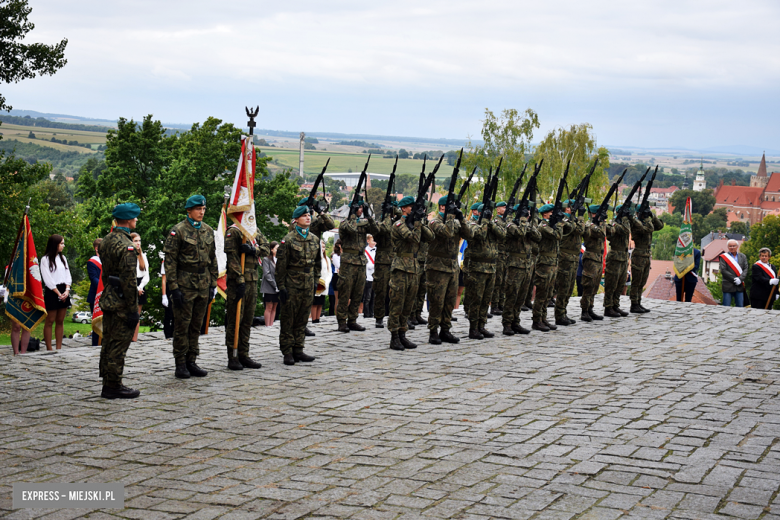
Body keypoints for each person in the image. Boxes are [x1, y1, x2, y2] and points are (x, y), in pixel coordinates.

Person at [163, 195, 218, 379]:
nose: (201, 212)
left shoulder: (208, 230)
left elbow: (213, 259)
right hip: (185, 284)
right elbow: (169, 261)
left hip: (203, 283)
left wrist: (213, 284)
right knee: (182, 325)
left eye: (203, 209)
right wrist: (174, 288)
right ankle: (180, 362)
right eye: (198, 209)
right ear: (189, 210)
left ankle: (191, 360)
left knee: (197, 325)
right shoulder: (178, 231)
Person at [97, 203, 142, 399]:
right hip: (121, 302)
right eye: (135, 217)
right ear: (129, 219)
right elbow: (129, 281)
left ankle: (108, 381)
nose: (137, 220)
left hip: (108, 297)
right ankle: (113, 385)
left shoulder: (107, 239)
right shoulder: (128, 246)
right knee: (118, 345)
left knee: (108, 342)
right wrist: (133, 310)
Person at [276, 204, 321, 365]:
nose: (308, 217)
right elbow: (281, 266)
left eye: (309, 215)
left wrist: (316, 281)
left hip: (308, 284)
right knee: (289, 318)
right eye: (304, 216)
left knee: (303, 317)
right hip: (292, 283)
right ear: (296, 220)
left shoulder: (314, 239)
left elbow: (317, 264)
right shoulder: (288, 240)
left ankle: (298, 349)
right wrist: (281, 286)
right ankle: (287, 350)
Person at [388, 196, 434, 350]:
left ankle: (403, 334)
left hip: (414, 268)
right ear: (404, 209)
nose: (414, 209)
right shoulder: (398, 224)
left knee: (408, 304)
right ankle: (394, 336)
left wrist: (421, 220)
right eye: (411, 207)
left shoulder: (415, 223)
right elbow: (412, 238)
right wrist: (416, 223)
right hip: (401, 268)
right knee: (397, 304)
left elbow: (431, 237)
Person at [425, 195, 472, 344]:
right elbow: (447, 232)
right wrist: (451, 218)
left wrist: (461, 218)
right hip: (437, 267)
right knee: (437, 300)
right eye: (449, 206)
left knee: (449, 301)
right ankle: (433, 331)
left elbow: (469, 234)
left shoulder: (455, 221)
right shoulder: (434, 222)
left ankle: (445, 330)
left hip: (452, 266)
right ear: (442, 207)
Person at [224, 219, 269, 371]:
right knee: (235, 319)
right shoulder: (234, 231)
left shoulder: (253, 231)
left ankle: (244, 353)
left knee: (247, 320)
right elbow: (232, 259)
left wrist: (252, 250)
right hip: (238, 281)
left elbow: (266, 248)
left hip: (253, 280)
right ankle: (233, 355)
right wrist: (240, 279)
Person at [336, 198, 378, 332]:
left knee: (358, 293)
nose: (360, 209)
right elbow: (352, 229)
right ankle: (342, 321)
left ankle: (352, 320)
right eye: (358, 207)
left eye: (361, 207)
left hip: (360, 261)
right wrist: (353, 214)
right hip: (348, 261)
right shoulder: (345, 223)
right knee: (345, 293)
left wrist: (368, 215)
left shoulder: (363, 223)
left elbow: (375, 230)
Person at [465, 203, 505, 339]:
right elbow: (479, 235)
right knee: (476, 299)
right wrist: (484, 223)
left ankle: (482, 325)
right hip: (477, 268)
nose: (491, 216)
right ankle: (473, 328)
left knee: (486, 299)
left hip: (491, 267)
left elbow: (502, 234)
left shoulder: (492, 225)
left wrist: (490, 223)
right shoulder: (472, 224)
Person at [503, 204, 541, 335]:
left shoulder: (527, 226)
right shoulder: (510, 225)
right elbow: (520, 233)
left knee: (522, 296)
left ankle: (516, 321)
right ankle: (507, 323)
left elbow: (538, 237)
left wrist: (528, 224)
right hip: (515, 265)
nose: (528, 215)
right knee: (512, 295)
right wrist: (523, 220)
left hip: (527, 265)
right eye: (526, 213)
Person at [531, 204, 564, 332]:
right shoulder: (543, 226)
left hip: (552, 263)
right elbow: (558, 235)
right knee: (541, 293)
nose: (553, 215)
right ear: (545, 214)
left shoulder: (550, 226)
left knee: (548, 293)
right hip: (544, 263)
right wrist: (560, 223)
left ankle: (543, 318)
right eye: (551, 213)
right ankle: (536, 320)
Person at [554, 201, 585, 326]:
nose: (572, 210)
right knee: (563, 287)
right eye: (570, 208)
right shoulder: (563, 221)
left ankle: (563, 313)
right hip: (565, 258)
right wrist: (580, 217)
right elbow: (579, 230)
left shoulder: (572, 220)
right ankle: (559, 315)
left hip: (573, 257)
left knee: (569, 287)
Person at [40, 234, 71, 350]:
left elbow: (68, 275)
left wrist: (67, 290)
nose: (63, 245)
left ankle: (59, 347)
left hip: (64, 289)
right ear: (55, 244)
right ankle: (49, 347)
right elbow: (47, 278)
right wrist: (58, 293)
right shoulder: (45, 259)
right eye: (61, 243)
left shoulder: (63, 259)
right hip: (52, 290)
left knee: (60, 320)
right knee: (50, 320)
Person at [630, 210, 664, 313]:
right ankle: (634, 304)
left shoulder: (646, 223)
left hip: (646, 254)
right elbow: (649, 228)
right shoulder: (636, 224)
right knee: (636, 281)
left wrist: (652, 215)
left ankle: (638, 302)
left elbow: (660, 226)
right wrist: (647, 219)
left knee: (642, 281)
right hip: (639, 254)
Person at [580, 205, 607, 322]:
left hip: (598, 258)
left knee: (595, 286)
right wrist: (603, 223)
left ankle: (590, 308)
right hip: (591, 258)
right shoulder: (590, 225)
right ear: (594, 214)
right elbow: (602, 234)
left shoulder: (596, 225)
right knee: (589, 285)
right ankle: (584, 311)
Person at [603, 205, 632, 318]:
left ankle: (615, 305)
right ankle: (608, 307)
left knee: (620, 283)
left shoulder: (624, 224)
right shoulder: (614, 225)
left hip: (623, 257)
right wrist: (624, 218)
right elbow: (625, 230)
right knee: (611, 283)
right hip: (615, 257)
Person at [373, 209, 395, 328]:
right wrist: (386, 215)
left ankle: (394, 316)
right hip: (382, 262)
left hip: (395, 261)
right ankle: (379, 317)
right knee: (381, 290)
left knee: (396, 292)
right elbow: (386, 229)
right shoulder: (380, 224)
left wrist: (394, 211)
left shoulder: (397, 222)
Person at [1, 282, 31, 355]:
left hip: (27, 292)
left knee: (26, 325)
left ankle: (23, 353)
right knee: (16, 326)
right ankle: (16, 352)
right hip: (13, 291)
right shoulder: (9, 269)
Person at [489, 201, 508, 316]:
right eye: (503, 207)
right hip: (498, 254)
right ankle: (495, 305)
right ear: (498, 209)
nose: (505, 209)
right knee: (498, 280)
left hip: (505, 254)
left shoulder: (505, 221)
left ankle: (501, 303)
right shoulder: (496, 221)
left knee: (503, 281)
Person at [129, 233, 149, 342]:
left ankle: (134, 338)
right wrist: (136, 288)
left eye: (139, 241)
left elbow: (147, 275)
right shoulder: (128, 255)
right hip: (131, 284)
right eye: (136, 241)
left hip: (140, 284)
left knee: (137, 314)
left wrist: (140, 287)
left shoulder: (143, 256)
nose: (138, 243)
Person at [720, 239, 748, 307]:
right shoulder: (724, 257)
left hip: (739, 286)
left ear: (737, 246)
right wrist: (735, 279)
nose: (732, 247)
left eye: (734, 246)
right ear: (727, 247)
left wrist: (740, 279)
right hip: (728, 285)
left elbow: (745, 269)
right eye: (730, 246)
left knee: (740, 306)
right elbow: (723, 270)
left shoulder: (743, 256)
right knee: (726, 306)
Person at [86, 238, 102, 346]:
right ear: (97, 249)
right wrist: (104, 286)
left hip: (108, 295)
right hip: (96, 295)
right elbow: (94, 278)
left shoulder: (108, 260)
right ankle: (96, 345)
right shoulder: (92, 262)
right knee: (97, 321)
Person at [312, 239, 332, 323]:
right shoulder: (316, 258)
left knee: (321, 302)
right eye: (321, 247)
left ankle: (318, 318)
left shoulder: (326, 258)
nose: (322, 249)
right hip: (317, 282)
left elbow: (329, 272)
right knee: (314, 302)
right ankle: (314, 319)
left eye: (324, 247)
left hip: (324, 283)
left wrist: (326, 282)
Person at [261, 242, 280, 327]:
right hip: (269, 287)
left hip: (278, 287)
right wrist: (274, 284)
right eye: (276, 248)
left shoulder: (279, 260)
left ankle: (271, 324)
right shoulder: (266, 259)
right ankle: (267, 325)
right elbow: (267, 274)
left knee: (275, 306)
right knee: (269, 306)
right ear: (272, 249)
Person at [362, 234, 376, 319]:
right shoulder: (365, 251)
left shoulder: (376, 250)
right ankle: (366, 313)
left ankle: (372, 312)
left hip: (375, 276)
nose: (374, 242)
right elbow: (367, 264)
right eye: (372, 240)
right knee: (367, 296)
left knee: (373, 296)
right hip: (367, 276)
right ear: (368, 241)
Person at [160, 260, 174, 339]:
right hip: (169, 287)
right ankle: (168, 334)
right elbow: (164, 279)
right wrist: (164, 295)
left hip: (180, 286)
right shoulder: (166, 262)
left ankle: (174, 332)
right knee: (169, 313)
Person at [330, 240, 342, 317]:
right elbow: (339, 266)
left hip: (344, 276)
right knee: (337, 298)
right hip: (337, 276)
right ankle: (337, 315)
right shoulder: (335, 256)